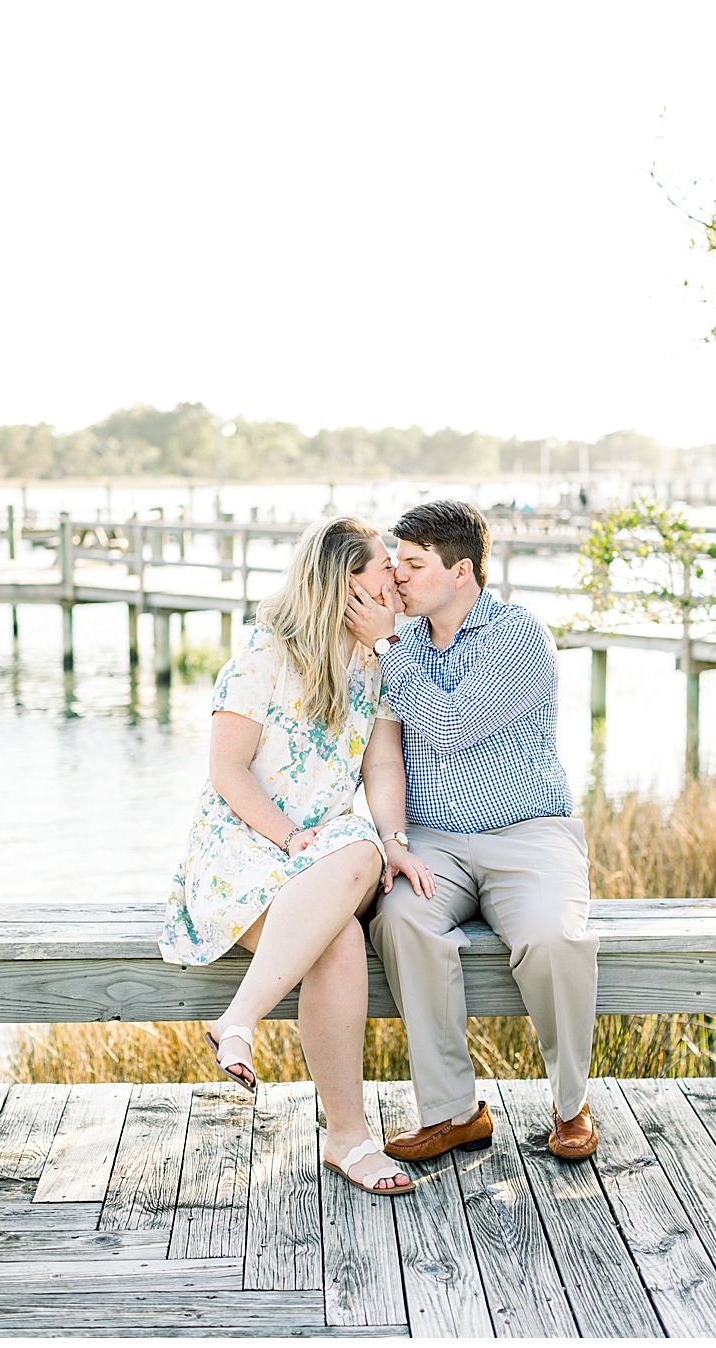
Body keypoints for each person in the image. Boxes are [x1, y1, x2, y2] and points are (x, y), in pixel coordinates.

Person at [162, 515, 436, 1197]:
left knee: (355, 873)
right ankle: (343, 1131)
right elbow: (229, 773)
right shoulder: (263, 653)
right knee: (343, 915)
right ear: (349, 583)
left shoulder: (379, 661)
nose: (395, 576)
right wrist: (289, 837)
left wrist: (395, 844)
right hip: (244, 854)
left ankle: (254, 1039)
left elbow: (381, 766)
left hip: (324, 860)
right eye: (383, 566)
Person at [343, 499, 601, 1162]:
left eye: (413, 565)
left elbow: (453, 727)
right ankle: (454, 1112)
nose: (395, 578)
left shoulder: (517, 634)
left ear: (462, 572)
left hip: (528, 834)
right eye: (394, 564)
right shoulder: (396, 646)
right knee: (400, 921)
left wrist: (384, 645)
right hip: (431, 841)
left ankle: (571, 1104)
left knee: (553, 937)